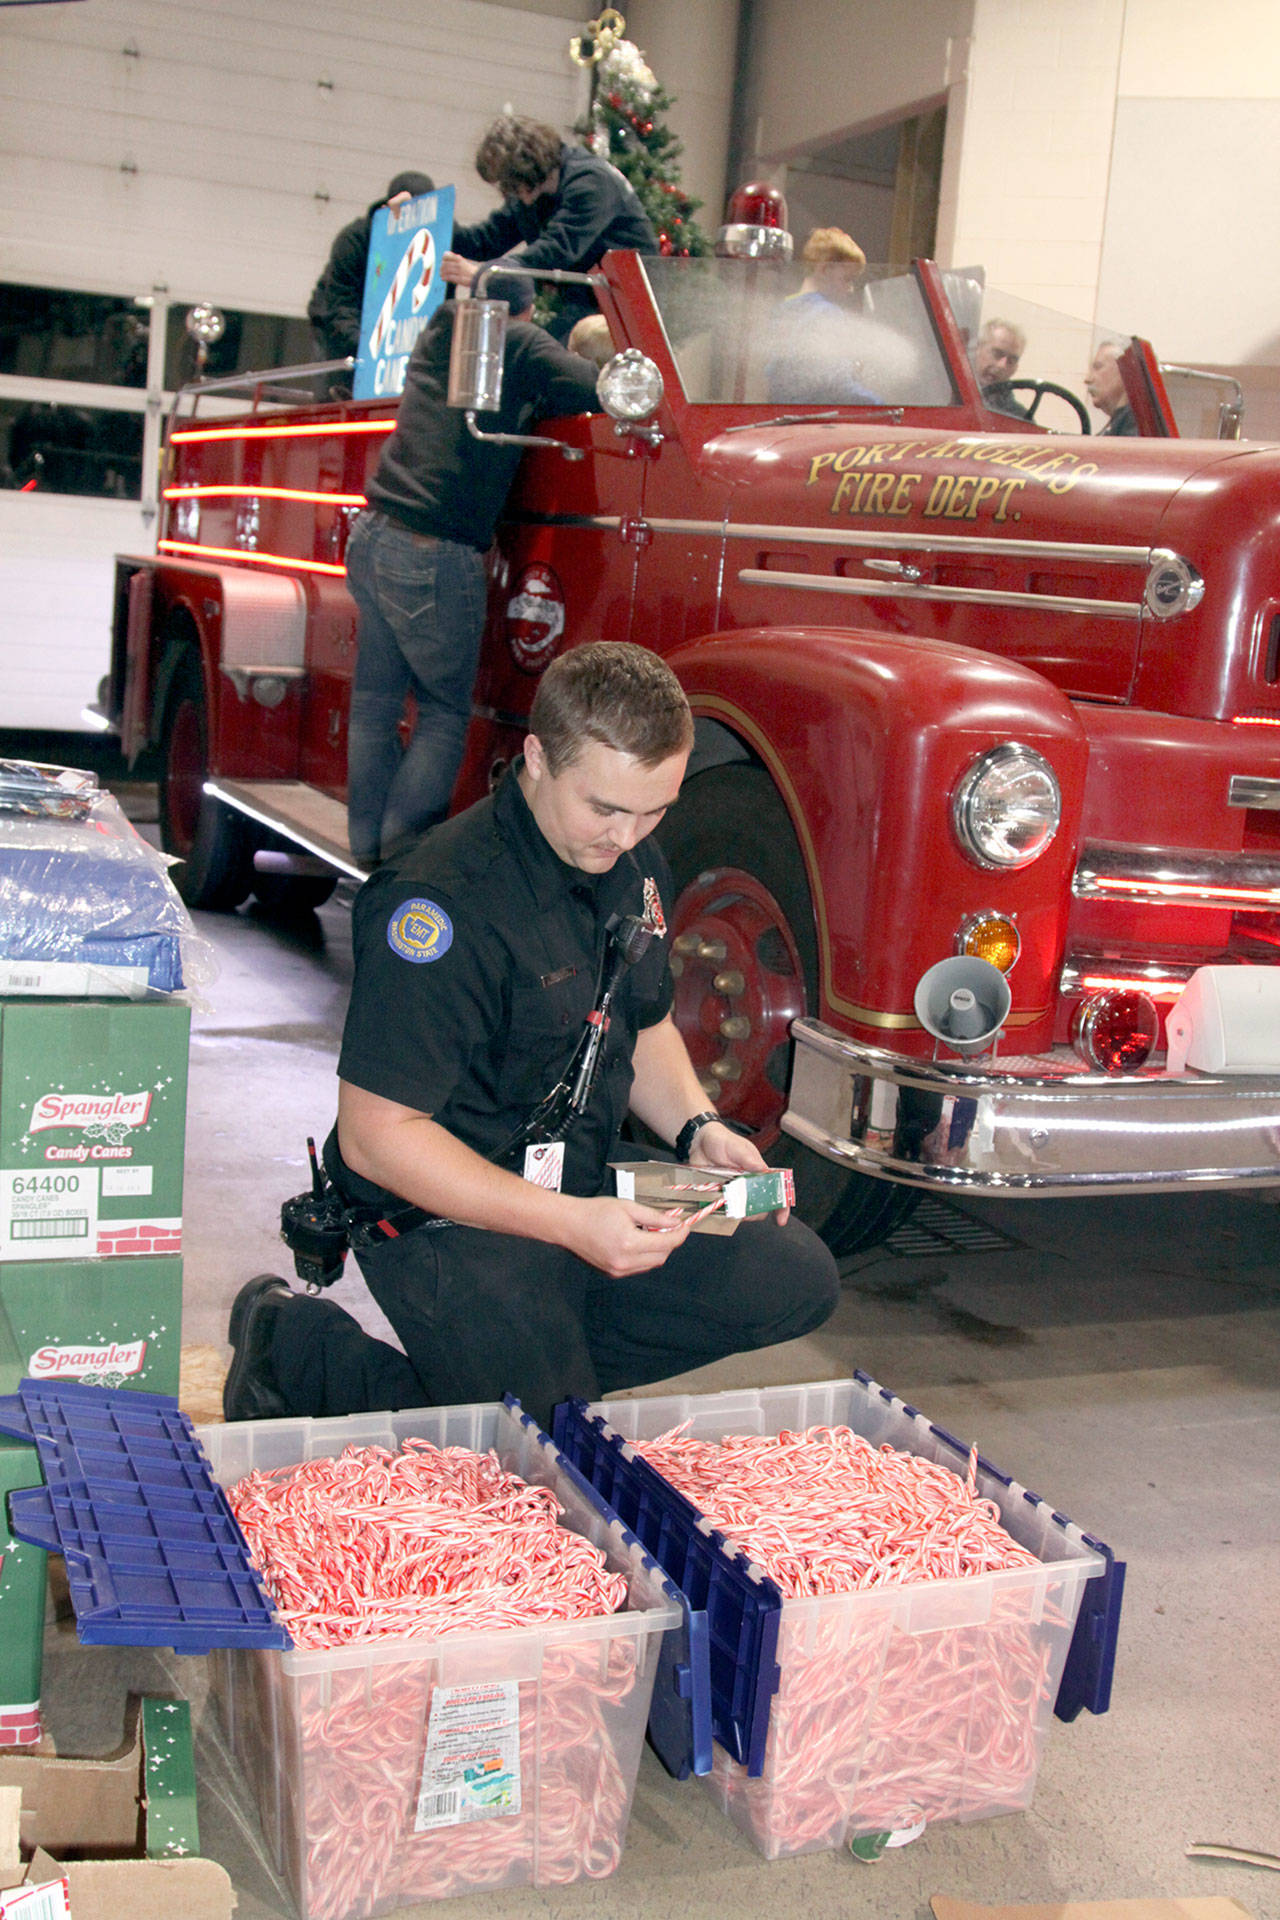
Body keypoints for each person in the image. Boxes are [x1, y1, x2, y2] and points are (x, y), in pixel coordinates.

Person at [223, 643, 840, 1432]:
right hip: (444, 1213)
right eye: (605, 808)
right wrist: (572, 1228)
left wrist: (697, 1125)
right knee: (543, 1451)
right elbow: (379, 1141)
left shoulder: (631, 858)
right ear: (538, 757)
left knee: (793, 1277)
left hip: (574, 1177)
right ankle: (295, 1347)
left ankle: (527, 1379)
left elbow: (640, 1018)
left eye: (654, 808)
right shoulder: (442, 907)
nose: (627, 834)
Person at [344, 271, 600, 866]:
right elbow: (595, 386)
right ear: (527, 308)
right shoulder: (521, 341)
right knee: (442, 712)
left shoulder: (440, 330)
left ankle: (365, 853)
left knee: (375, 706)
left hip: (375, 530)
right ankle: (403, 862)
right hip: (435, 548)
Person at [441, 115, 656, 339]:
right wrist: (431, 219)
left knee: (542, 358)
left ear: (529, 169)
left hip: (627, 308)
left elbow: (557, 250)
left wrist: (488, 275)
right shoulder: (531, 193)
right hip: (585, 300)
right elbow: (484, 241)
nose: (509, 192)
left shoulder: (591, 182)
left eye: (511, 183)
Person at [307, 170, 436, 368]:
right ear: (388, 207)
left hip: (384, 323)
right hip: (335, 321)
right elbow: (341, 306)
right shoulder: (355, 240)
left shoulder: (434, 240)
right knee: (339, 377)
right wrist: (368, 349)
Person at [763, 228, 883, 406]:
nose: (850, 289)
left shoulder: (781, 311)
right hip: (818, 421)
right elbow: (839, 385)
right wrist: (882, 406)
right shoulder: (828, 315)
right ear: (825, 269)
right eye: (847, 279)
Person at [973, 317, 1031, 419]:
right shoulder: (944, 395)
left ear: (1015, 368)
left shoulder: (1019, 418)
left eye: (1011, 360)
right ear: (976, 349)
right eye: (997, 354)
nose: (1002, 365)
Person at [1085, 340, 1138, 435]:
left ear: (1124, 371)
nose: (1088, 379)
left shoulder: (1135, 427)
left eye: (1098, 367)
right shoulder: (1119, 424)